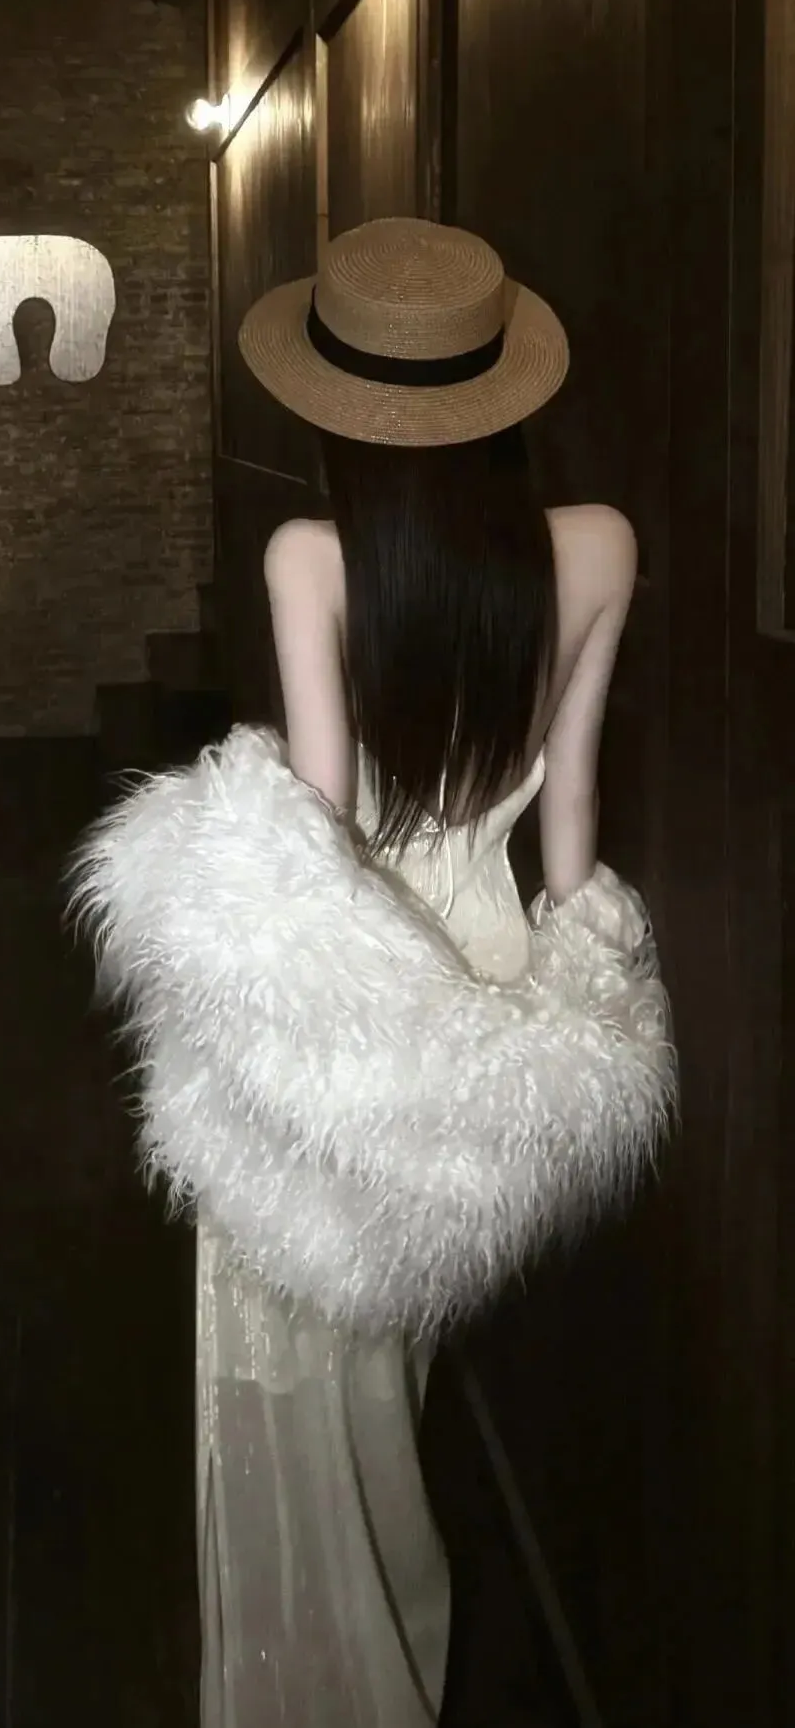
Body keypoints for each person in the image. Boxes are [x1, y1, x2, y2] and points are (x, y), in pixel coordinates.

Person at [71, 219, 674, 1728]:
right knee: (394, 1372)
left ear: (339, 410)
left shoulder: (311, 555)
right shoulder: (601, 547)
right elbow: (572, 832)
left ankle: (320, 1688)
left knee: (286, 1384)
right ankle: (399, 1657)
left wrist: (228, 802)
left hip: (347, 1006)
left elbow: (324, 826)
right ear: (500, 387)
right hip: (482, 990)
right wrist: (580, 1002)